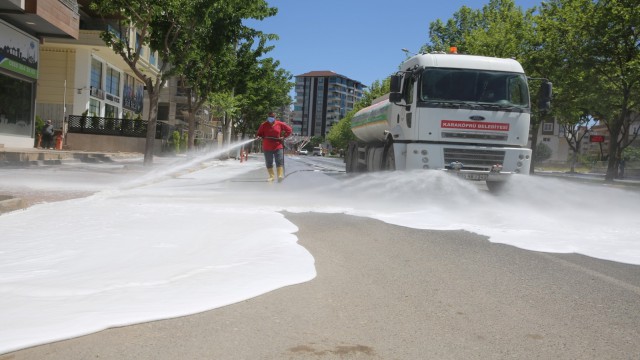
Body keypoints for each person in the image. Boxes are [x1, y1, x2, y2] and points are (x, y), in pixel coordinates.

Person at [256, 112, 292, 182]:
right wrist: (258, 137)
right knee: (269, 162)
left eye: (272, 116)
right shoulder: (263, 125)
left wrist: (283, 137)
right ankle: (271, 176)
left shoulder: (280, 124)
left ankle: (280, 176)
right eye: (269, 116)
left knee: (279, 160)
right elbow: (259, 134)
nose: (270, 118)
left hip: (278, 146)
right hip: (267, 146)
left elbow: (289, 130)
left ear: (275, 117)